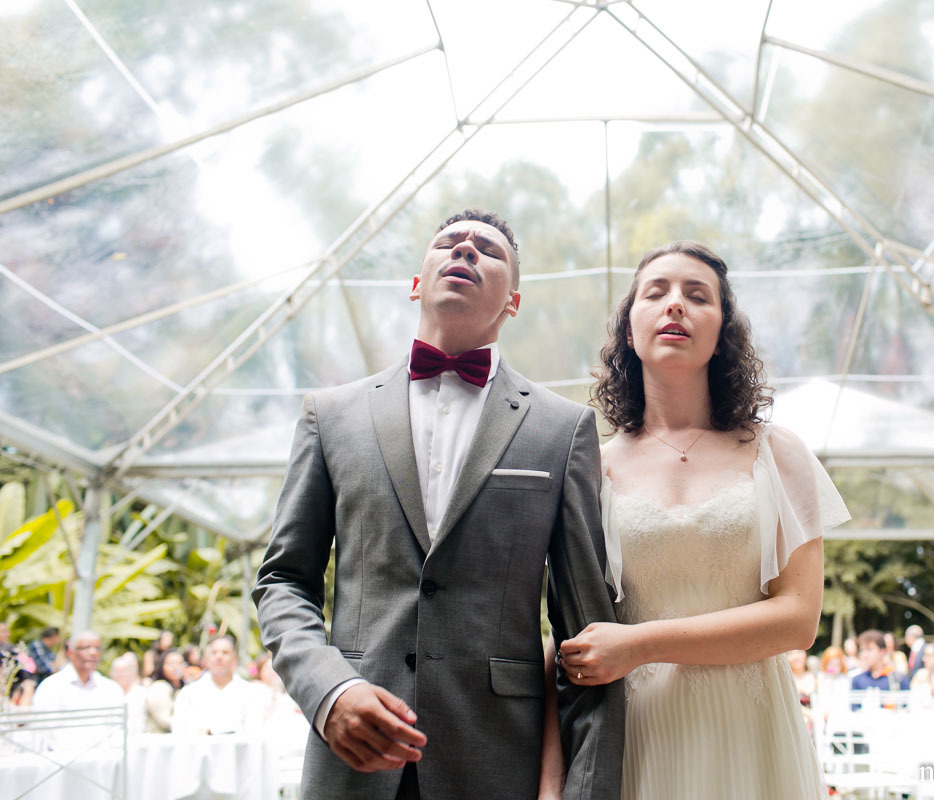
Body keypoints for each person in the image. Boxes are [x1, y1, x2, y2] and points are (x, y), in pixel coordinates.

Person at [253, 209, 623, 800]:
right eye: (450, 242)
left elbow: (586, 635)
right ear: (416, 283)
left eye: (489, 250)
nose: (466, 249)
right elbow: (282, 581)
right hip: (352, 759)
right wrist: (329, 691)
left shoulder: (562, 429)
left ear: (514, 303)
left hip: (496, 763)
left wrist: (582, 788)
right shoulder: (332, 415)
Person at [550, 240, 850, 800]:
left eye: (697, 295)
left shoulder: (777, 453)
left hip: (752, 735)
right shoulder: (590, 468)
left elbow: (798, 619)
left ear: (722, 333)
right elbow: (566, 625)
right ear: (628, 330)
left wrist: (638, 645)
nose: (675, 304)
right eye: (655, 293)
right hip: (639, 735)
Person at [32, 631, 124, 751]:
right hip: (61, 758)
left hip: (105, 758)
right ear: (71, 653)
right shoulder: (51, 687)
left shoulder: (111, 689)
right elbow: (43, 732)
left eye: (97, 648)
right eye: (86, 648)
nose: (93, 653)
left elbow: (117, 730)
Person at [171, 635, 259, 735]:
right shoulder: (189, 693)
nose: (219, 657)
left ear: (234, 659)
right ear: (205, 659)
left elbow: (254, 731)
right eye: (214, 652)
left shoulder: (250, 692)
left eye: (225, 652)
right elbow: (179, 730)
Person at [144, 648, 185, 733]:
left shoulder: (184, 688)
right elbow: (165, 721)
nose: (176, 667)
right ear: (162, 666)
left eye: (180, 663)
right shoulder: (159, 688)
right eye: (171, 664)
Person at [110, 652, 146, 734]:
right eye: (117, 671)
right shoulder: (108, 694)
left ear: (132, 673)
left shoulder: (140, 693)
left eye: (124, 671)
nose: (120, 675)